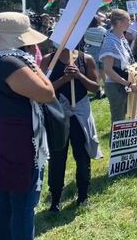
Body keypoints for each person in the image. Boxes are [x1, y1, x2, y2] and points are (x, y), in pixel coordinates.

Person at [0, 12, 57, 240]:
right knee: (22, 205)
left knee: (3, 203)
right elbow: (46, 94)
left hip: (3, 139)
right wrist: (34, 66)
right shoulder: (10, 62)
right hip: (17, 142)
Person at [40, 42, 103, 211]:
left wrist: (79, 77)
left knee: (82, 156)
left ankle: (83, 196)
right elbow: (42, 89)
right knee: (57, 157)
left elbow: (96, 87)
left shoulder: (86, 59)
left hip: (79, 116)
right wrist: (64, 79)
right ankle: (55, 200)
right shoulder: (48, 60)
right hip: (58, 117)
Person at [99, 9, 137, 123]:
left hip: (123, 84)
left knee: (124, 121)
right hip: (115, 86)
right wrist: (128, 84)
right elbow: (108, 70)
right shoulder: (110, 41)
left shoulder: (122, 39)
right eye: (128, 20)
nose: (130, 23)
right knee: (118, 122)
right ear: (118, 23)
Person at [83, 14, 108, 98]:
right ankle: (107, 89)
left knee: (95, 73)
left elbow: (85, 40)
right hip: (102, 51)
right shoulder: (103, 30)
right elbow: (106, 40)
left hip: (90, 51)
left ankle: (98, 90)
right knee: (103, 72)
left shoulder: (86, 30)